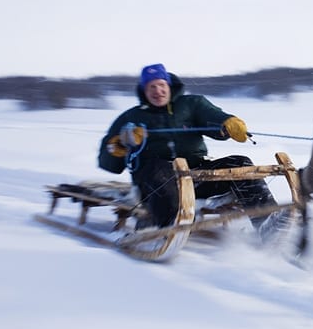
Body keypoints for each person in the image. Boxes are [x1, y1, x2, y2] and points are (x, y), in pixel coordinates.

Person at [98, 63, 283, 235]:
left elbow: (211, 116)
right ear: (144, 91)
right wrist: (120, 143)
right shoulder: (131, 117)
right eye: (151, 87)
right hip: (155, 184)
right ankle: (170, 226)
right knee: (159, 168)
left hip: (196, 176)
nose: (157, 91)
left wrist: (228, 123)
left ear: (169, 85)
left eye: (161, 85)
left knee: (240, 163)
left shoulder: (191, 104)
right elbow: (108, 162)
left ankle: (269, 225)